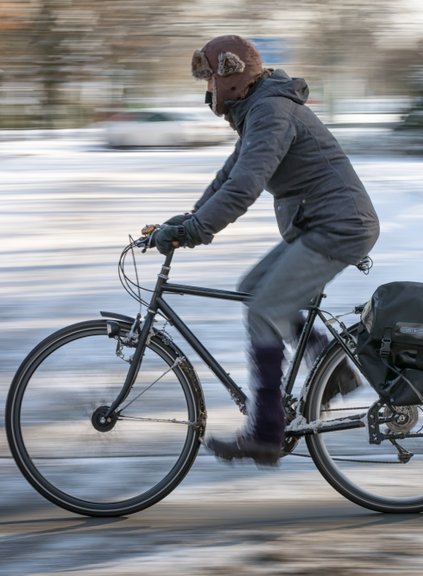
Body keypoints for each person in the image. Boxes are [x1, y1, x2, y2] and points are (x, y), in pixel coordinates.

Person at [152, 35, 379, 465]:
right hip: (320, 224)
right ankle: (333, 370)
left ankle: (266, 431)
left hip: (338, 226)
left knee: (264, 308)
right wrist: (184, 221)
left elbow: (245, 186)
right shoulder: (260, 111)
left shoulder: (271, 111)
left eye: (210, 80)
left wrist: (196, 230)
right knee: (254, 288)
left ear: (233, 77)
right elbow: (228, 177)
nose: (207, 91)